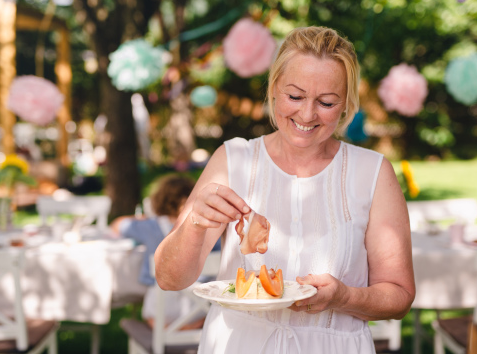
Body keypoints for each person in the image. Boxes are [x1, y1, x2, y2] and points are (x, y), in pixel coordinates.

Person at [154, 26, 415, 353]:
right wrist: (194, 224)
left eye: (327, 102)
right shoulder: (233, 160)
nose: (307, 114)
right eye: (295, 96)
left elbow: (399, 296)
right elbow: (169, 279)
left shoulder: (373, 172)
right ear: (274, 88)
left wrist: (345, 297)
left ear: (347, 103)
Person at [110, 174, 207, 330]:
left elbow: (117, 225)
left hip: (161, 309)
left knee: (152, 306)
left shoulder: (150, 226)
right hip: (200, 306)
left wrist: (142, 218)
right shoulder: (208, 229)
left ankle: (168, 331)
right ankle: (187, 328)